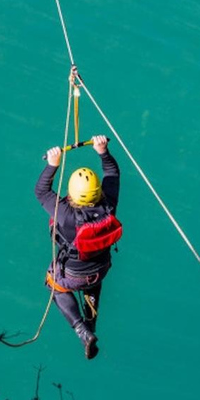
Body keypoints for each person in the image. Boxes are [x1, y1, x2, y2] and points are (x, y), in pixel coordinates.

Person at [35, 135, 121, 360]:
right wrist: (103, 151)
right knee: (93, 280)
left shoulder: (66, 214)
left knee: (55, 286)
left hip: (74, 274)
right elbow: (112, 174)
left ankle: (83, 331)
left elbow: (41, 192)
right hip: (100, 267)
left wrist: (52, 165)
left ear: (73, 193)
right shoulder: (108, 206)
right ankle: (91, 323)